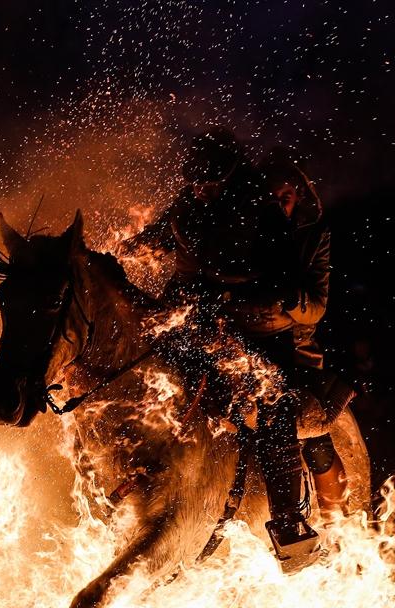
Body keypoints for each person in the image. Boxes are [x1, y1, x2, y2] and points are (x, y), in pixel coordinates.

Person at [125, 130, 321, 569]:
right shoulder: (187, 206)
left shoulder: (261, 212)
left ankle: (289, 526)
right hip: (195, 322)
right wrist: (126, 251)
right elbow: (160, 239)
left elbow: (279, 278)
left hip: (254, 333)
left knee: (273, 404)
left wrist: (228, 295)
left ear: (230, 176)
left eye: (210, 180)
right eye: (196, 181)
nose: (202, 187)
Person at [257, 150, 356, 517]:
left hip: (296, 349)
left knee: (313, 438)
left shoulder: (314, 237)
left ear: (297, 198)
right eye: (271, 197)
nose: (279, 205)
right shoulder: (241, 232)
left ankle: (335, 519)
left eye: (285, 197)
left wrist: (285, 294)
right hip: (240, 345)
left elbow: (315, 306)